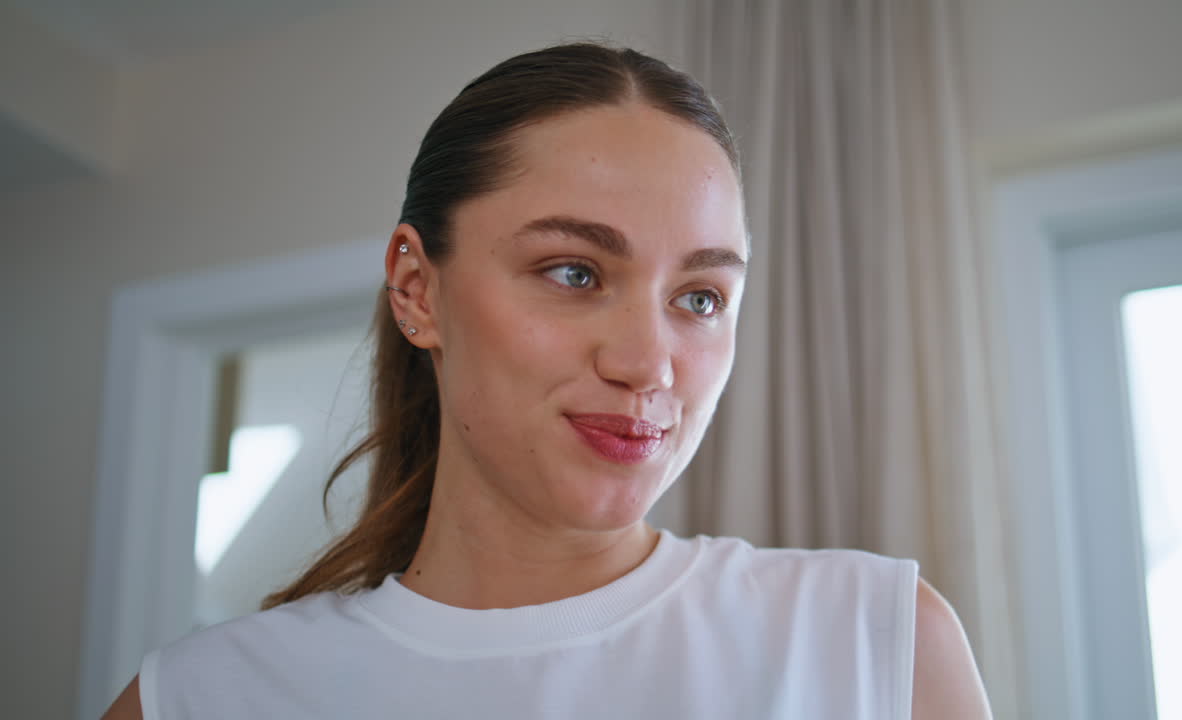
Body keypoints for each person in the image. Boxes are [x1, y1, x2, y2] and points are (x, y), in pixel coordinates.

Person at [105, 42, 991, 719]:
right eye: (574, 273)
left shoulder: (878, 643)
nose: (647, 363)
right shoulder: (203, 697)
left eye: (700, 296)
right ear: (418, 290)